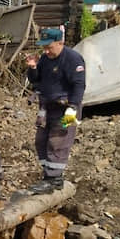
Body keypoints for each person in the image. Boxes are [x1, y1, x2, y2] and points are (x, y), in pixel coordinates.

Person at [25, 28, 86, 194]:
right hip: (47, 107)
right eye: (44, 48)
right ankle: (49, 176)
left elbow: (79, 85)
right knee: (41, 140)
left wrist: (73, 107)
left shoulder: (73, 59)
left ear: (60, 43)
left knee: (59, 141)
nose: (46, 51)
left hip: (67, 109)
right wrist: (33, 67)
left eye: (49, 47)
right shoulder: (45, 58)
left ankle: (53, 178)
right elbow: (35, 79)